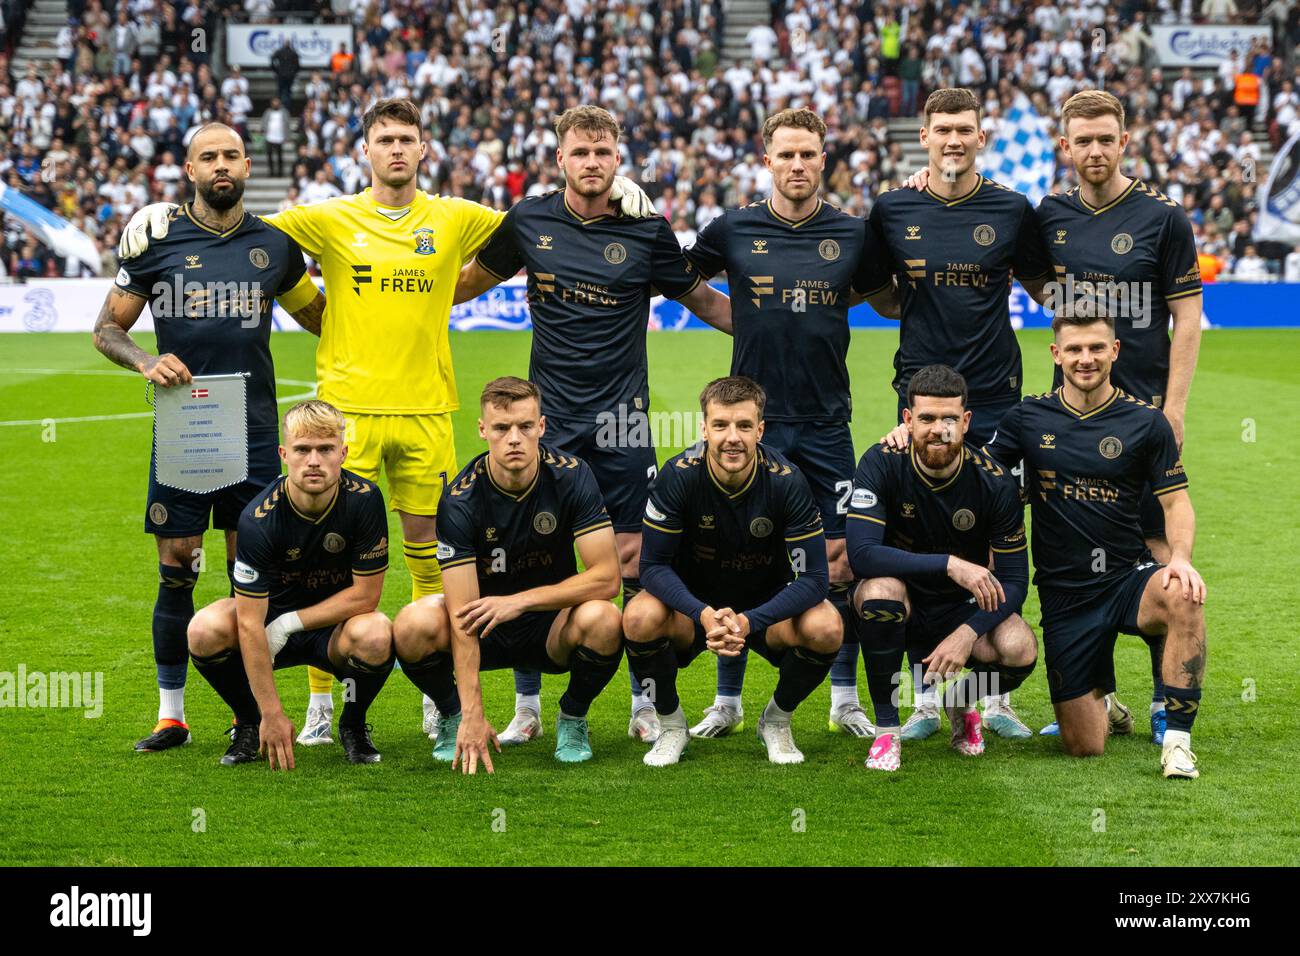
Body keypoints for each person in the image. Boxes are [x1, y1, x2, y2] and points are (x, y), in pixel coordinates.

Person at [117, 98, 661, 745]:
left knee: (434, 559)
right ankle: (324, 703)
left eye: (408, 139)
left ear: (425, 149)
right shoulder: (326, 218)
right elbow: (241, 227)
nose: (397, 149)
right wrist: (168, 216)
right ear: (365, 151)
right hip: (346, 412)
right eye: (385, 139)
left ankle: (439, 704)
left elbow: (543, 220)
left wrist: (625, 194)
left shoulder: (455, 217)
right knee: (325, 555)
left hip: (427, 408)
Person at [454, 105, 731, 747]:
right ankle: (527, 705)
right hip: (547, 419)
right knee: (535, 556)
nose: (592, 162)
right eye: (580, 152)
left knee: (631, 558)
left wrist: (784, 328)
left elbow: (707, 303)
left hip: (622, 420)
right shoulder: (528, 220)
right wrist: (394, 293)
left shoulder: (647, 231)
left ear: (618, 159)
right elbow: (466, 285)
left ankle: (641, 699)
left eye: (603, 152)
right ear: (560, 159)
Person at [92, 123, 325, 754]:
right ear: (188, 169)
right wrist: (144, 360)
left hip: (254, 434)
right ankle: (172, 715)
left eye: (230, 156)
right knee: (176, 570)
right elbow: (105, 330)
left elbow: (324, 319)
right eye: (207, 158)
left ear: (248, 164)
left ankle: (248, 714)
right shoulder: (156, 242)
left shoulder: (276, 246)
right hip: (185, 431)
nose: (220, 166)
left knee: (248, 576)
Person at [683, 106, 899, 741]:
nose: (798, 165)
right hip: (754, 426)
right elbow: (688, 284)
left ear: (823, 160)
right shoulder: (732, 228)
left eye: (809, 154)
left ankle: (842, 696)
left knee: (838, 560)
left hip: (828, 422)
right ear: (767, 158)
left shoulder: (852, 234)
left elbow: (876, 294)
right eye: (787, 154)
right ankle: (728, 699)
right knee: (742, 558)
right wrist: (740, 321)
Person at [867, 87, 1051, 738]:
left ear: (981, 137)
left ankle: (987, 698)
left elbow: (1046, 288)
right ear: (924, 135)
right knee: (918, 534)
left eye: (964, 129)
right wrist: (918, 310)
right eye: (941, 128)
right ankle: (924, 700)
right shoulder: (892, 208)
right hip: (919, 398)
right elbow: (874, 292)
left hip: (997, 399)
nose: (952, 139)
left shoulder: (1010, 208)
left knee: (991, 531)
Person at [1034, 90, 1205, 743]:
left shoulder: (1163, 217)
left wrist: (1175, 407)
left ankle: (1167, 700)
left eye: (1107, 138)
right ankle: (1099, 700)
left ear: (1125, 141)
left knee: (1159, 550)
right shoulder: (1048, 216)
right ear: (1067, 145)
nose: (1096, 150)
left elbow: (1186, 316)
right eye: (1084, 140)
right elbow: (1032, 281)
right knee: (1080, 556)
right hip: (1073, 421)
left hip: (1143, 419)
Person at [985, 310, 1206, 779]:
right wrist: (908, 439)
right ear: (1056, 354)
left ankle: (1178, 743)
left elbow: (1176, 503)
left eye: (1096, 348)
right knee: (1085, 747)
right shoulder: (1026, 417)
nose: (1086, 359)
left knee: (1184, 594)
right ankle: (1106, 705)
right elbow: (977, 474)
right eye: (1075, 349)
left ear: (1115, 351)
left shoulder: (1146, 423)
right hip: (1065, 596)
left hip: (1127, 578)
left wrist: (1181, 559)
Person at [393, 377, 624, 771]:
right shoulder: (460, 499)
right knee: (412, 624)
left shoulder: (572, 475)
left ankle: (572, 717)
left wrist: (518, 602)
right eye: (501, 428)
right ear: (483, 430)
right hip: (485, 628)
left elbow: (607, 579)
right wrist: (472, 712)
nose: (513, 438)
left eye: (525, 426)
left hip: (551, 626)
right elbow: (461, 614)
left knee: (604, 619)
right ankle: (450, 717)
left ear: (542, 427)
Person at [624, 376, 843, 766]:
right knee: (639, 616)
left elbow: (814, 579)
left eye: (744, 426)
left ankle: (776, 720)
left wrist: (748, 620)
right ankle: (672, 725)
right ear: (703, 428)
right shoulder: (678, 475)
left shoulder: (788, 482)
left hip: (765, 611)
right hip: (692, 610)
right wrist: (704, 614)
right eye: (721, 425)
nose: (732, 438)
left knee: (826, 626)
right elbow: (652, 567)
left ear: (760, 429)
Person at [846, 365, 1036, 771]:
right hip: (905, 601)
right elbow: (861, 555)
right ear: (907, 420)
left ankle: (959, 698)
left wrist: (967, 634)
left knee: (1020, 648)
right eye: (927, 418)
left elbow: (1016, 581)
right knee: (880, 592)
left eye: (949, 419)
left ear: (966, 422)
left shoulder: (995, 482)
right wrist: (950, 565)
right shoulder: (881, 463)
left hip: (960, 609)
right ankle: (886, 730)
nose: (938, 429)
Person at [188, 400, 395, 767]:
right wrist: (272, 711)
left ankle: (353, 723)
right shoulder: (257, 519)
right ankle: (249, 722)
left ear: (343, 453)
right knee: (204, 629)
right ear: (284, 454)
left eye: (325, 449)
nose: (313, 461)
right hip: (268, 623)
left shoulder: (364, 501)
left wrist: (290, 623)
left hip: (334, 628)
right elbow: (250, 621)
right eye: (302, 450)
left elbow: (367, 595)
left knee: (377, 634)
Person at [269, 39, 300, 107]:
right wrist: (293, 72)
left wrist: (275, 69)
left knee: (281, 92)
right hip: (289, 75)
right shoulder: (293, 52)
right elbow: (298, 65)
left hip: (281, 75)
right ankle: (286, 107)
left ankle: (282, 107)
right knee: (288, 92)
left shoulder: (281, 51)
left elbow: (272, 59)